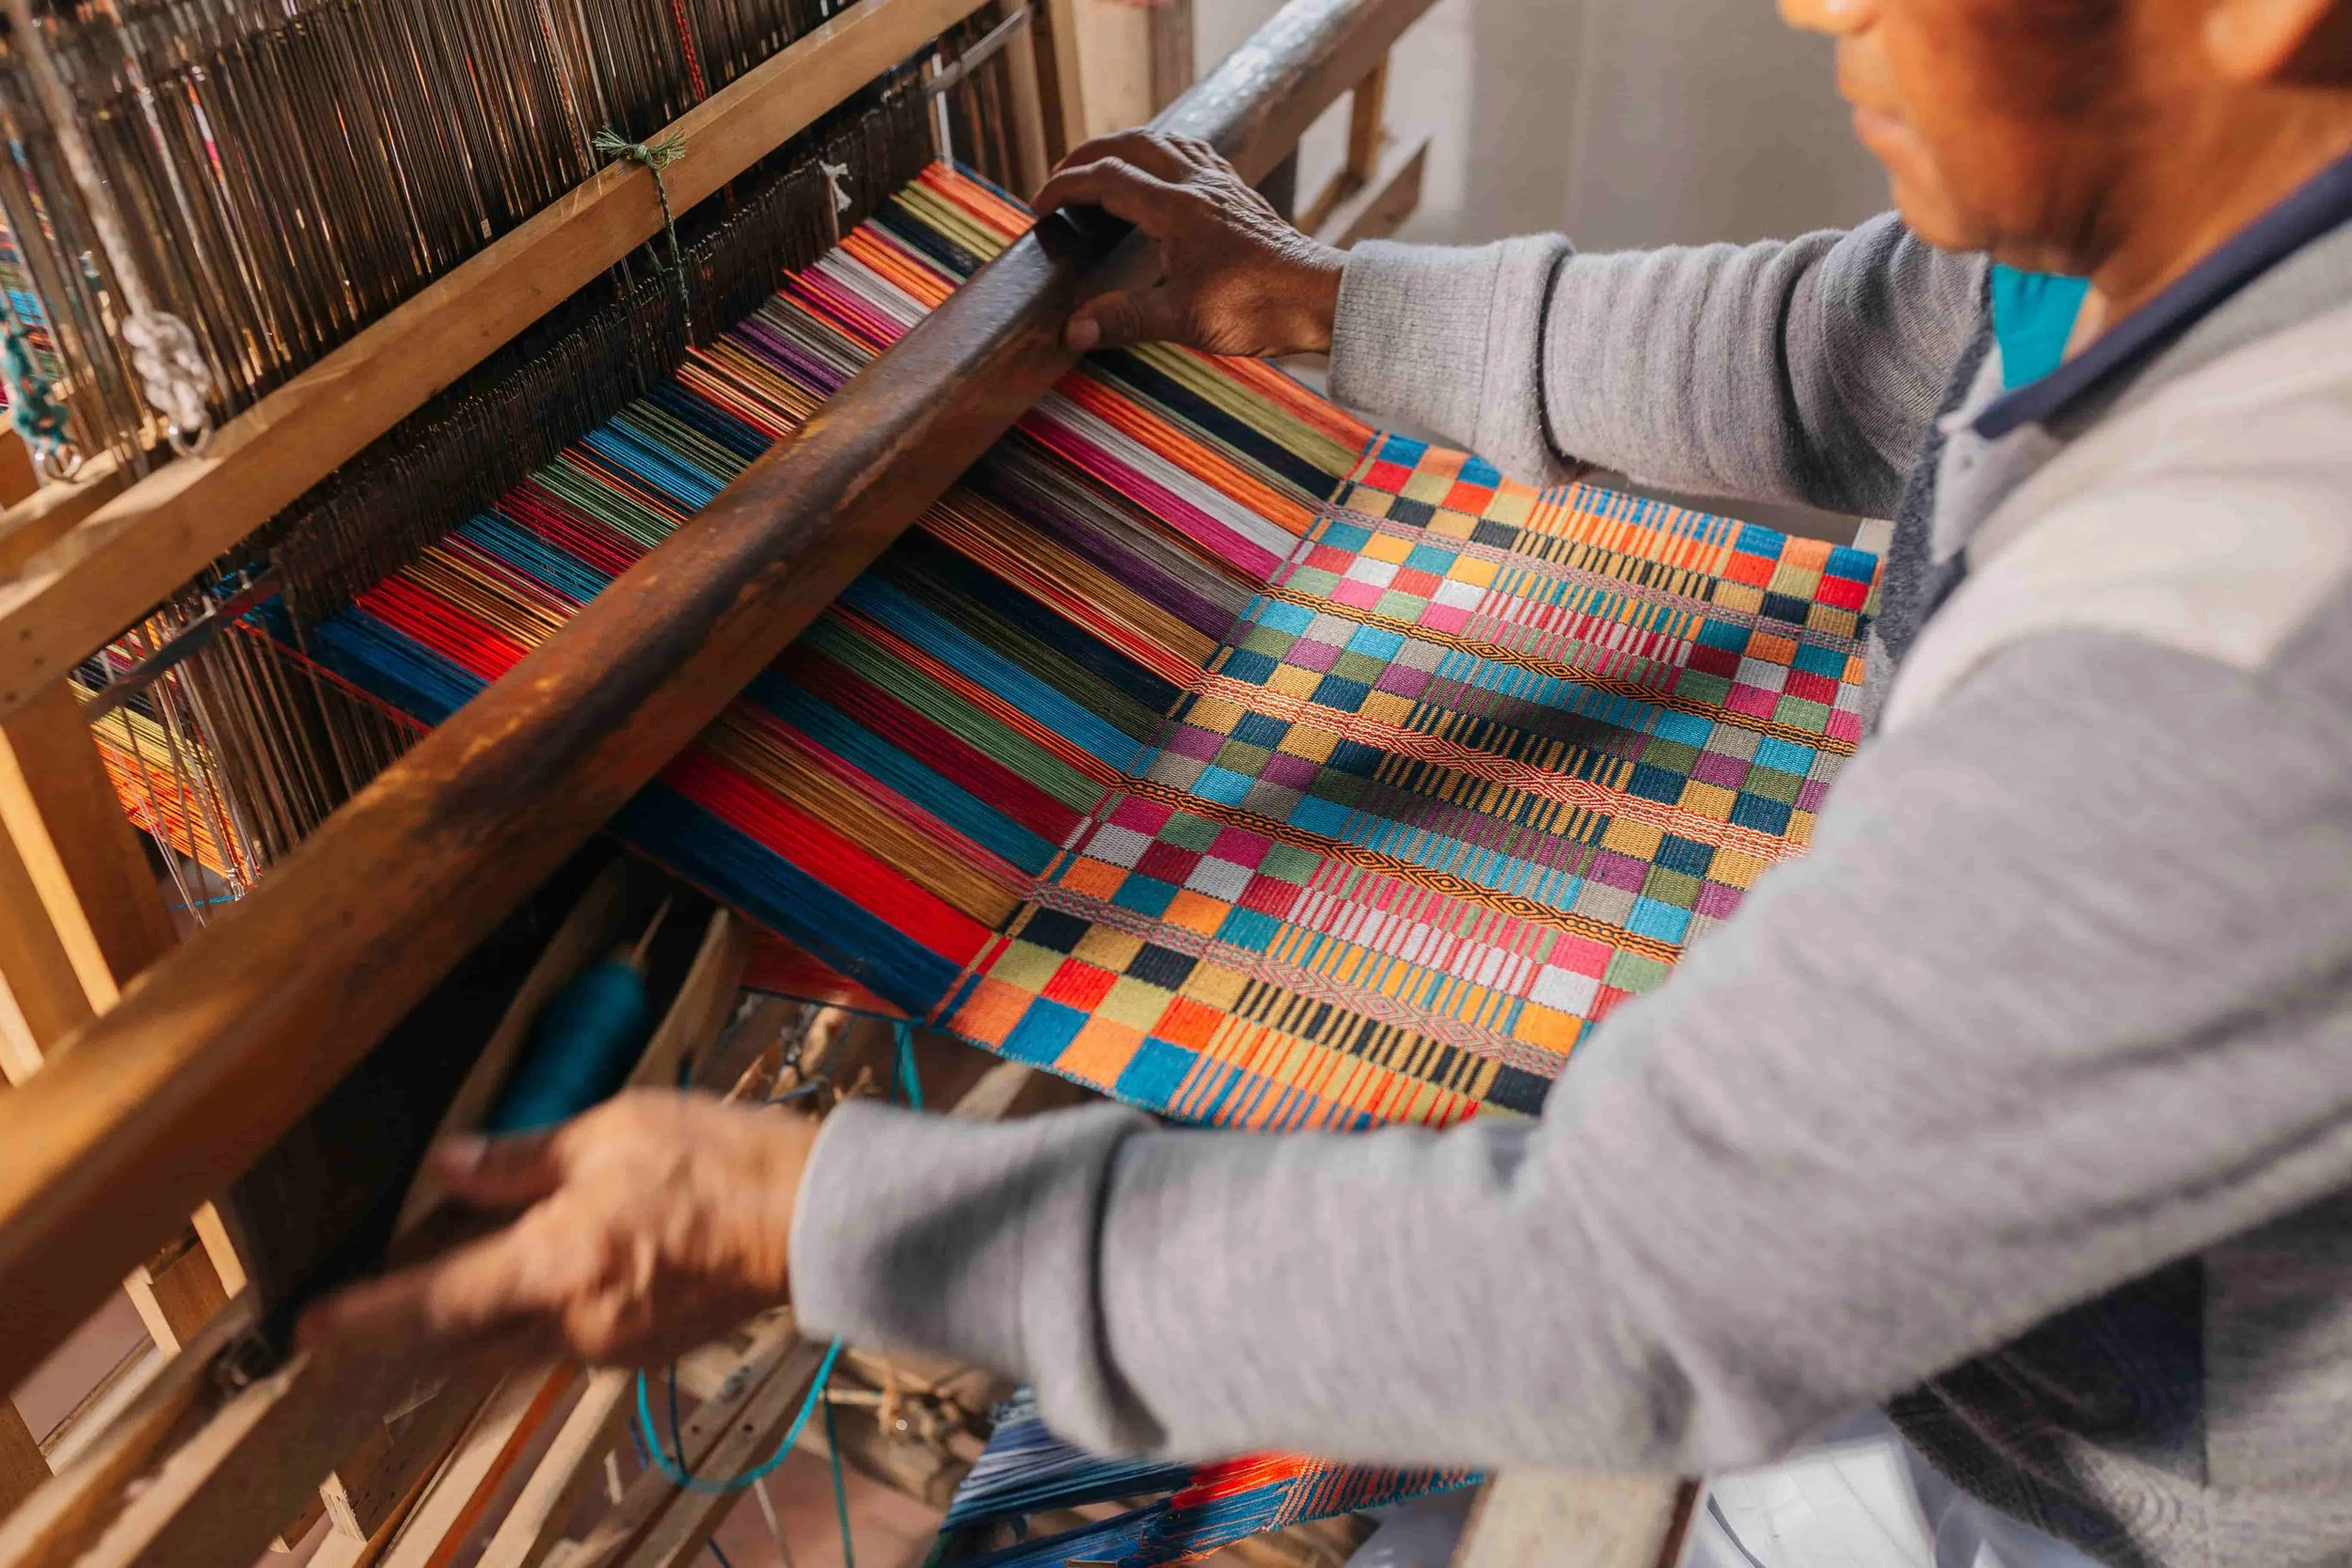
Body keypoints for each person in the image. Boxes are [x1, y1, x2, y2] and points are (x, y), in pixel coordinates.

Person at [307, 0, 2352, 1562]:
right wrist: (1311, 300)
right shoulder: (2201, 228)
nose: (1814, 8)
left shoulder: (2234, 641)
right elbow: (1847, 347)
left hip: (2067, 1485)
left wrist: (801, 1209)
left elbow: (1618, 1289)